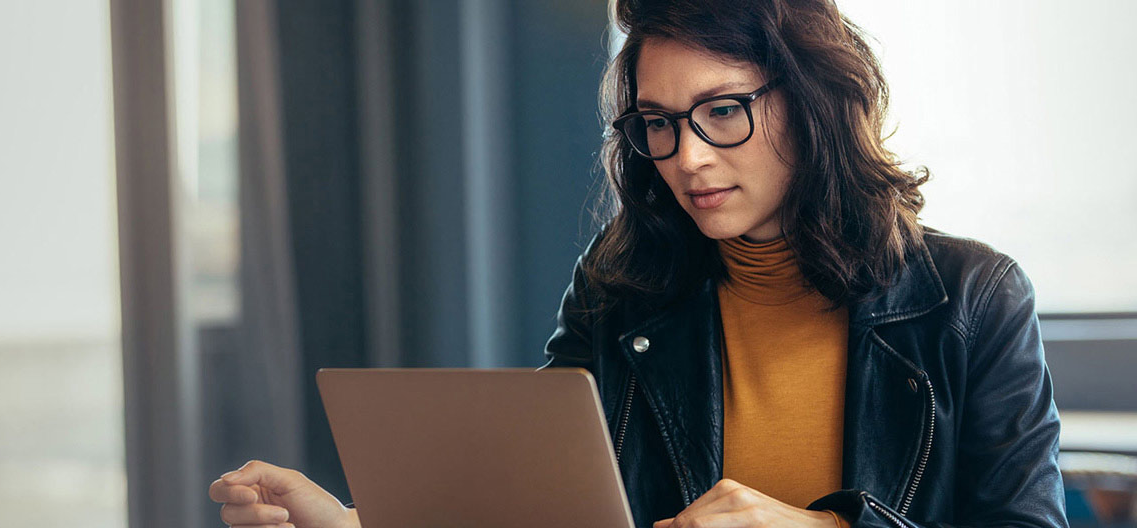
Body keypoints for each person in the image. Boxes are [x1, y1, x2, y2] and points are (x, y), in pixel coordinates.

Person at [208, 0, 1068, 526]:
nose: (686, 157)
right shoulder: (623, 283)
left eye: (722, 111)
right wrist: (362, 526)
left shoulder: (971, 298)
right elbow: (536, 510)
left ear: (813, 102)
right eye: (657, 122)